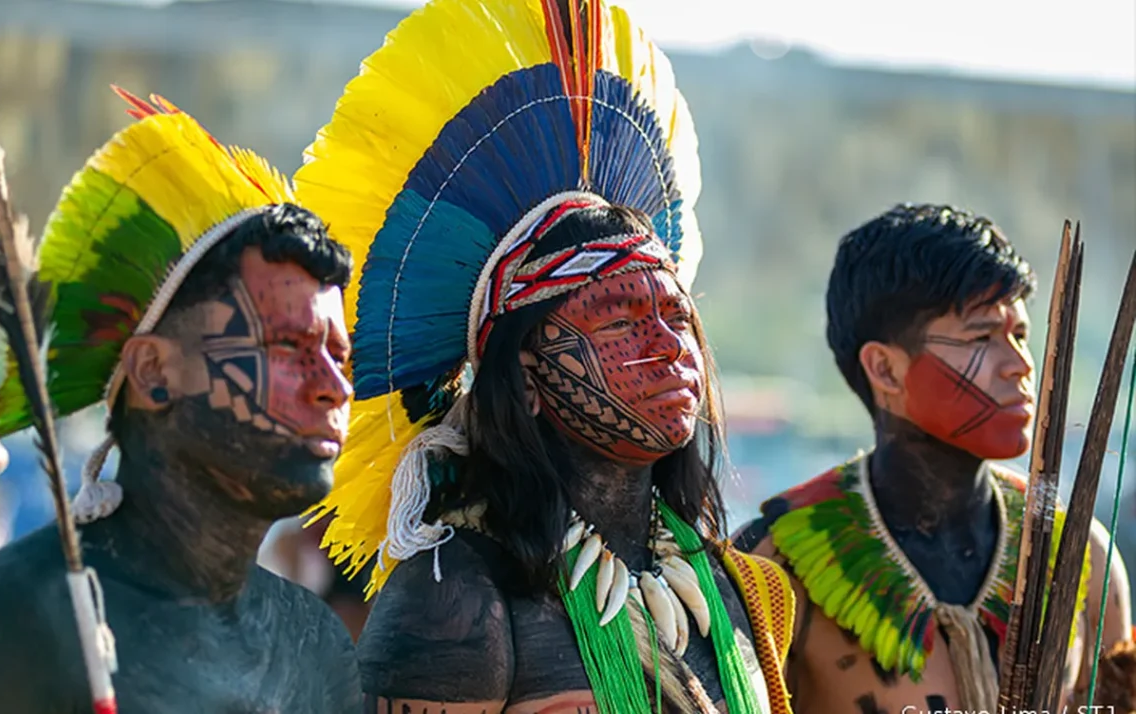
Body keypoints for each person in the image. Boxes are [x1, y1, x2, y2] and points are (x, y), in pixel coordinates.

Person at [293, 0, 796, 711]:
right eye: (620, 318)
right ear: (525, 375)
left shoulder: (743, 591)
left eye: (676, 314)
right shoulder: (458, 602)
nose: (665, 343)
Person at [0, 91, 362, 712]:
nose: (334, 385)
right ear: (154, 371)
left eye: (338, 353)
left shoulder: (315, 643)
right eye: (287, 345)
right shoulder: (24, 618)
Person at [732, 203, 1134, 714]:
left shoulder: (1079, 555)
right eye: (982, 338)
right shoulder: (772, 564)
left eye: (1020, 335)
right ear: (885, 369)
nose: (1021, 365)